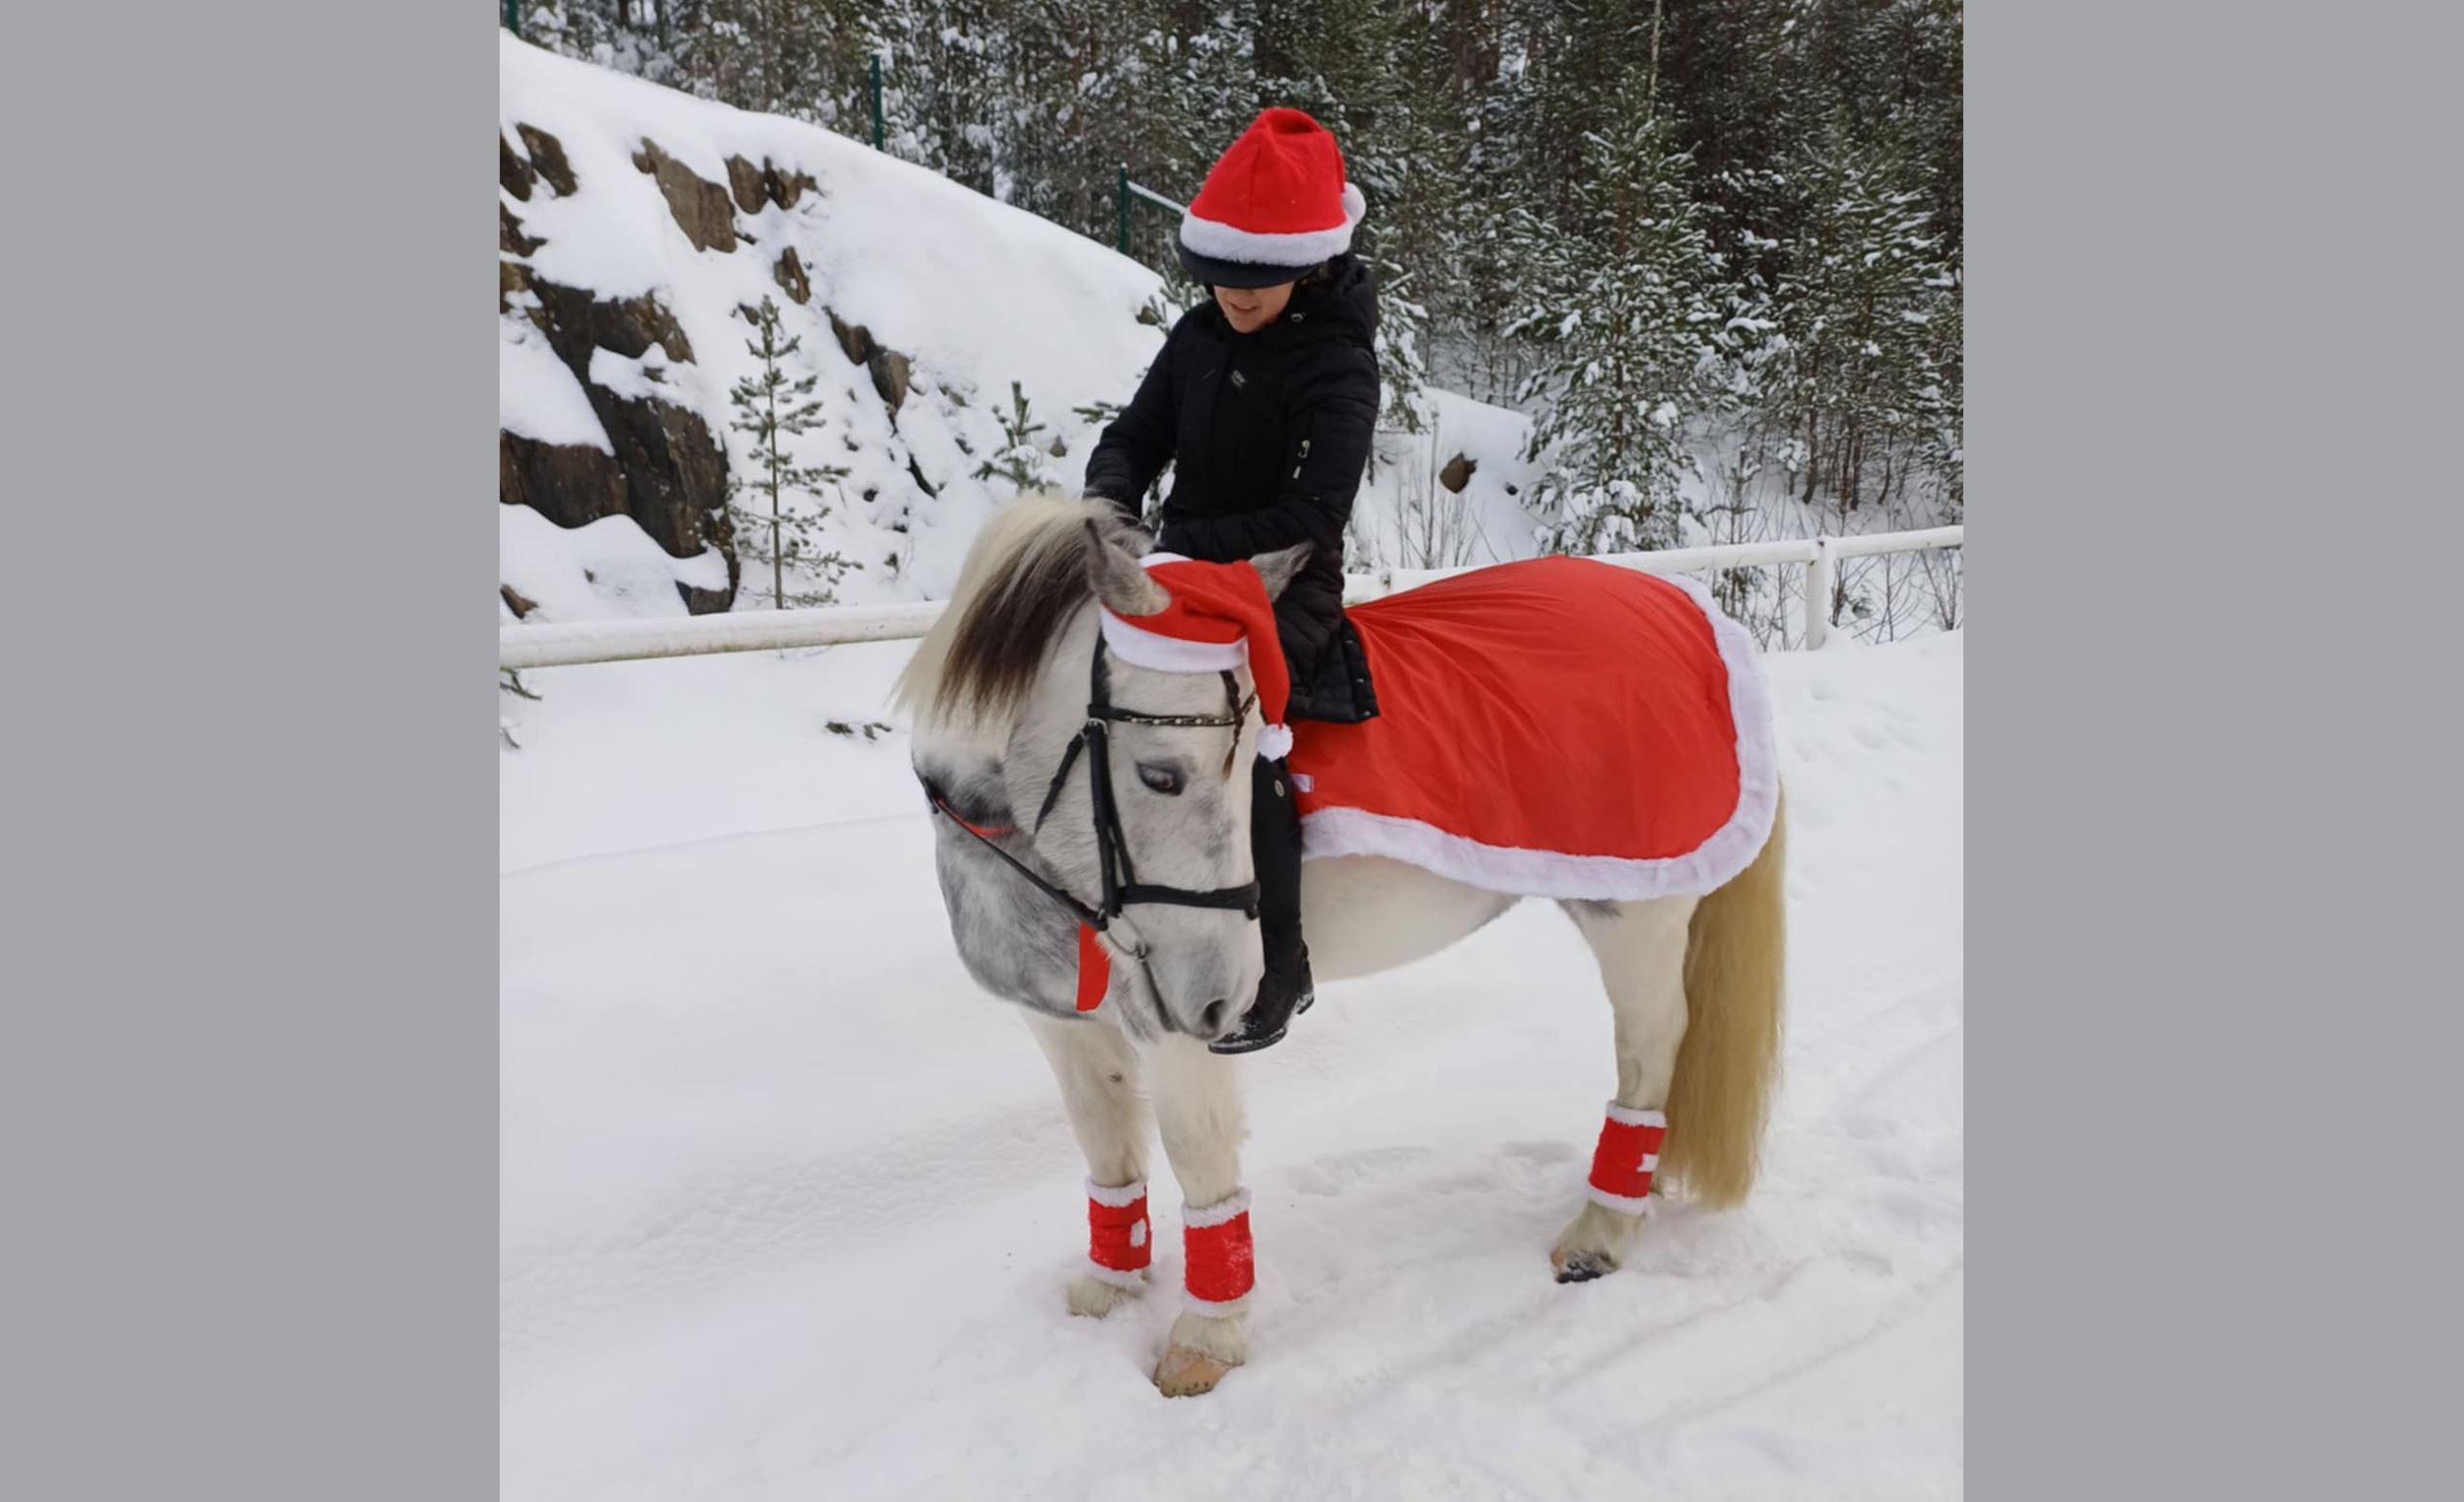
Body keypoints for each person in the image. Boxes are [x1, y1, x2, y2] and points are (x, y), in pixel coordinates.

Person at [1083, 107, 1383, 1055]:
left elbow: (1314, 515)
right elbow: (1135, 434)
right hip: (1177, 573)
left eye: (1255, 279)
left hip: (1284, 587)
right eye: (1219, 273)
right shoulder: (1198, 334)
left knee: (1239, 739)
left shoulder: (1339, 363)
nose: (1233, 294)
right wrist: (1109, 509)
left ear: (1309, 262)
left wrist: (1186, 543)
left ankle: (1281, 960)